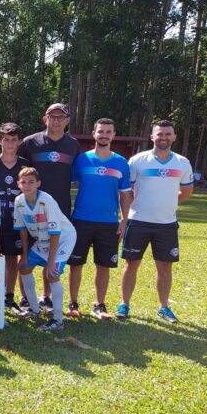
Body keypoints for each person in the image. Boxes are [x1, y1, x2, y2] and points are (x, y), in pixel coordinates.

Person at [117, 120, 194, 323]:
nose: (163, 138)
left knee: (165, 266)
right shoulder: (138, 160)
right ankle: (124, 304)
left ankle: (163, 307)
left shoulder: (182, 162)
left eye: (168, 134)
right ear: (152, 137)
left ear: (174, 137)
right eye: (159, 134)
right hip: (138, 221)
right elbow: (126, 191)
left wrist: (168, 203)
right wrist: (127, 214)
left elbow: (186, 191)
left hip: (167, 224)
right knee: (131, 264)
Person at [67, 118, 131, 320]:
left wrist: (124, 220)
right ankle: (73, 302)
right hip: (81, 220)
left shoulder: (121, 162)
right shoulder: (81, 159)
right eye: (100, 131)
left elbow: (125, 194)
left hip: (108, 223)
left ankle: (99, 304)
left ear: (114, 135)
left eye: (108, 132)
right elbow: (65, 182)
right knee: (75, 263)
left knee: (103, 265)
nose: (104, 135)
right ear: (94, 133)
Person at [18, 102, 80, 309]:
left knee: (49, 252)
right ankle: (25, 298)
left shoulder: (73, 145)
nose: (56, 121)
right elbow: (21, 174)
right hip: (31, 208)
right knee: (25, 254)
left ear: (67, 121)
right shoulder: (30, 142)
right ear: (45, 119)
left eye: (60, 117)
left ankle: (45, 296)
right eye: (52, 117)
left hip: (60, 207)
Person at [12, 167, 77, 332]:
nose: (27, 185)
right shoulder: (19, 201)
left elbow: (55, 233)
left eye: (31, 182)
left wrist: (50, 262)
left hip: (62, 239)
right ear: (18, 184)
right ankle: (34, 309)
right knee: (24, 267)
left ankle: (58, 320)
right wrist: (25, 255)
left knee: (52, 274)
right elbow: (22, 230)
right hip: (43, 241)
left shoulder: (46, 200)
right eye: (24, 182)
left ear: (38, 184)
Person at [0, 122, 29, 310]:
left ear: (19, 141)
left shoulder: (26, 165)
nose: (9, 144)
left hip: (16, 221)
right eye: (6, 140)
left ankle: (9, 296)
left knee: (12, 258)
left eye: (13, 140)